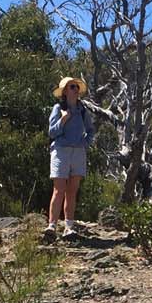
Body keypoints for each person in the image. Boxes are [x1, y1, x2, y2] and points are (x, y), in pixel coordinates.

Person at [47, 76, 95, 239]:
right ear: (65, 91)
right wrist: (64, 118)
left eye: (76, 87)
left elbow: (90, 130)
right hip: (61, 151)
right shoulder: (57, 108)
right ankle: (51, 226)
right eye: (72, 87)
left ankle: (69, 227)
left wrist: (85, 143)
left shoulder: (83, 110)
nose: (76, 90)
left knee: (72, 191)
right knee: (59, 189)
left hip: (78, 152)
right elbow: (52, 132)